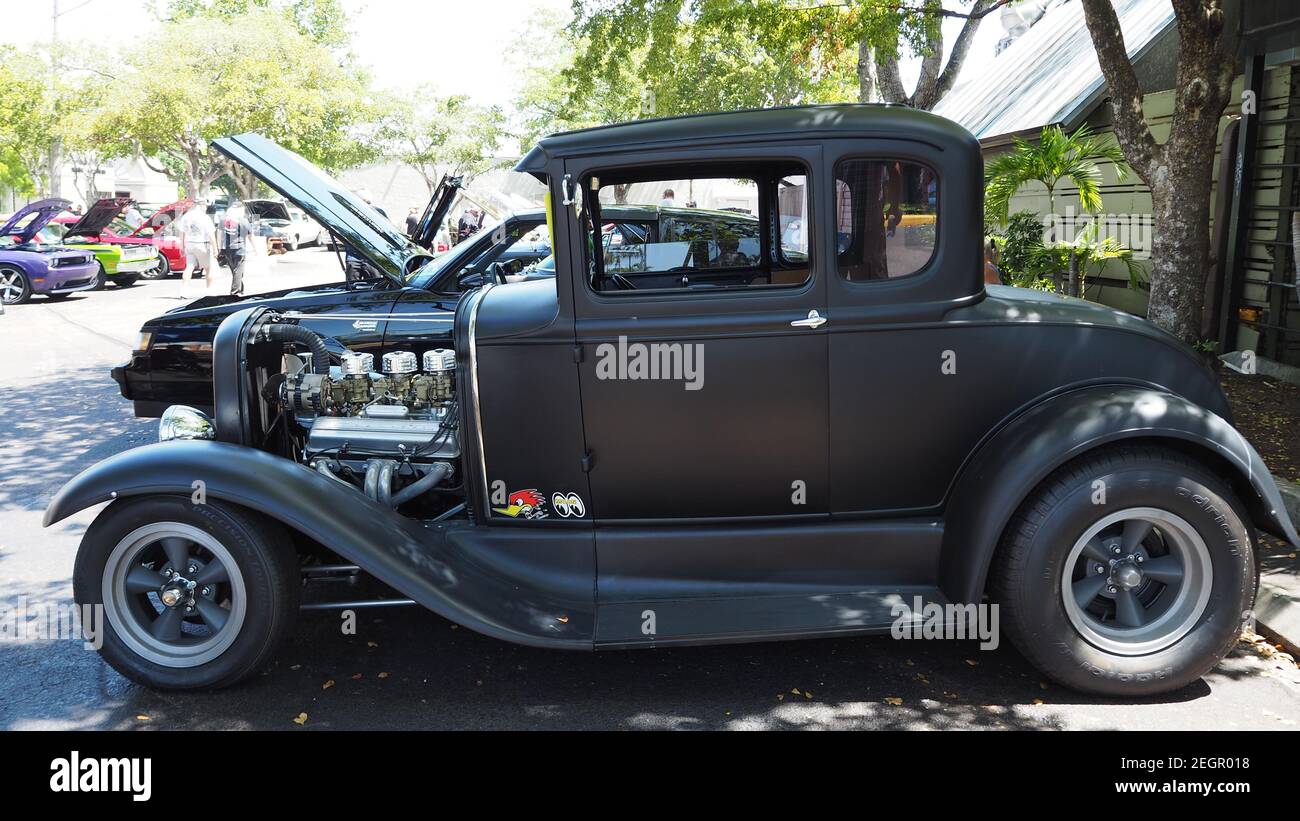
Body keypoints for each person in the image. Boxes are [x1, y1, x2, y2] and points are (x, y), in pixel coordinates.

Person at [178, 199, 218, 295]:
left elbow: (182, 233)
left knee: (189, 267)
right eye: (205, 206)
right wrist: (215, 248)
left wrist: (182, 246)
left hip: (190, 244)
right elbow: (211, 234)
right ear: (201, 205)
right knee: (208, 268)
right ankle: (209, 291)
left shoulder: (186, 216)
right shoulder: (204, 217)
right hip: (202, 244)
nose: (206, 208)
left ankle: (184, 290)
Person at [219, 200, 254, 297]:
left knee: (236, 271)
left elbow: (220, 234)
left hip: (227, 249)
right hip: (240, 249)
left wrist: (219, 247)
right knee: (238, 271)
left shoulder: (223, 220)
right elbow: (250, 236)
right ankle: (234, 293)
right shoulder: (243, 221)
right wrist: (255, 248)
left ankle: (241, 290)